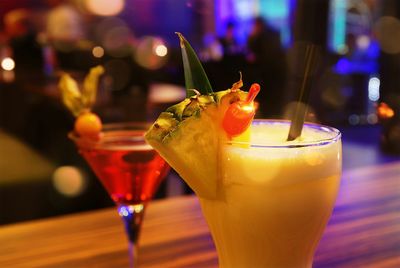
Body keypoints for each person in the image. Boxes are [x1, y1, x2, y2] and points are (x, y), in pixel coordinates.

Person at [246, 17, 287, 118]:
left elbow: (253, 55)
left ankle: (267, 116)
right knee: (275, 101)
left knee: (266, 101)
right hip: (278, 72)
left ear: (258, 25)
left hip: (266, 73)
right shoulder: (275, 33)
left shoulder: (260, 36)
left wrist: (252, 36)